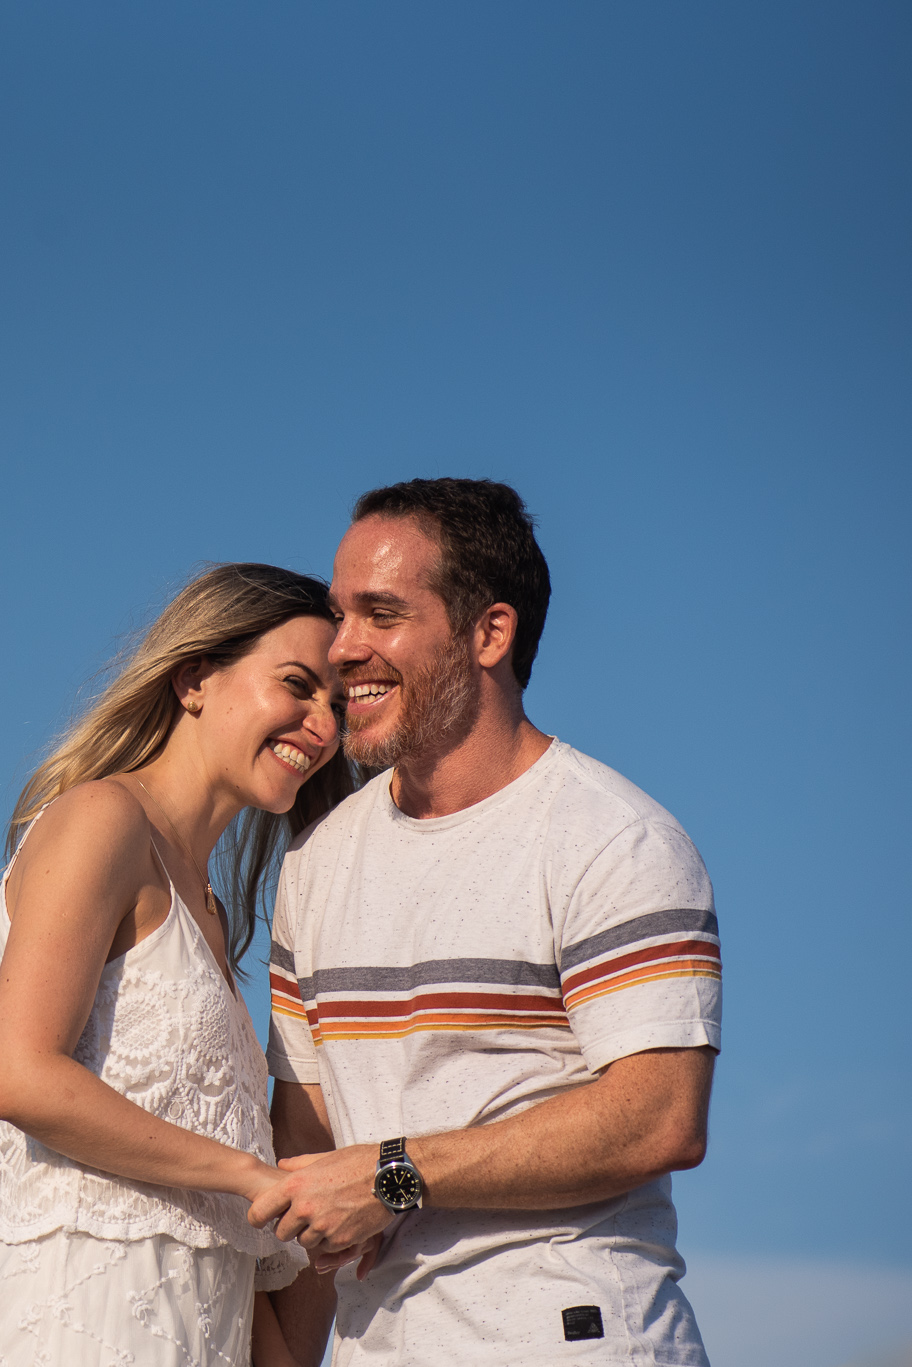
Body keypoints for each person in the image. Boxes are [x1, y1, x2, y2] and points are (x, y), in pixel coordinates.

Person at [250, 479, 721, 1365]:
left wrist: (396, 1175)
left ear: (489, 633)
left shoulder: (613, 837)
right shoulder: (314, 864)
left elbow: (660, 1116)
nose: (342, 646)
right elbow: (311, 1151)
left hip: (569, 1339)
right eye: (339, 613)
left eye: (381, 613)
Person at [0, 563, 359, 1367]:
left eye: (339, 705)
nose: (322, 724)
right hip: (74, 1324)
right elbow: (20, 1074)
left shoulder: (211, 917)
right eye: (298, 684)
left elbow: (206, 1223)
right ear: (195, 678)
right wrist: (249, 1177)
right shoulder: (102, 820)